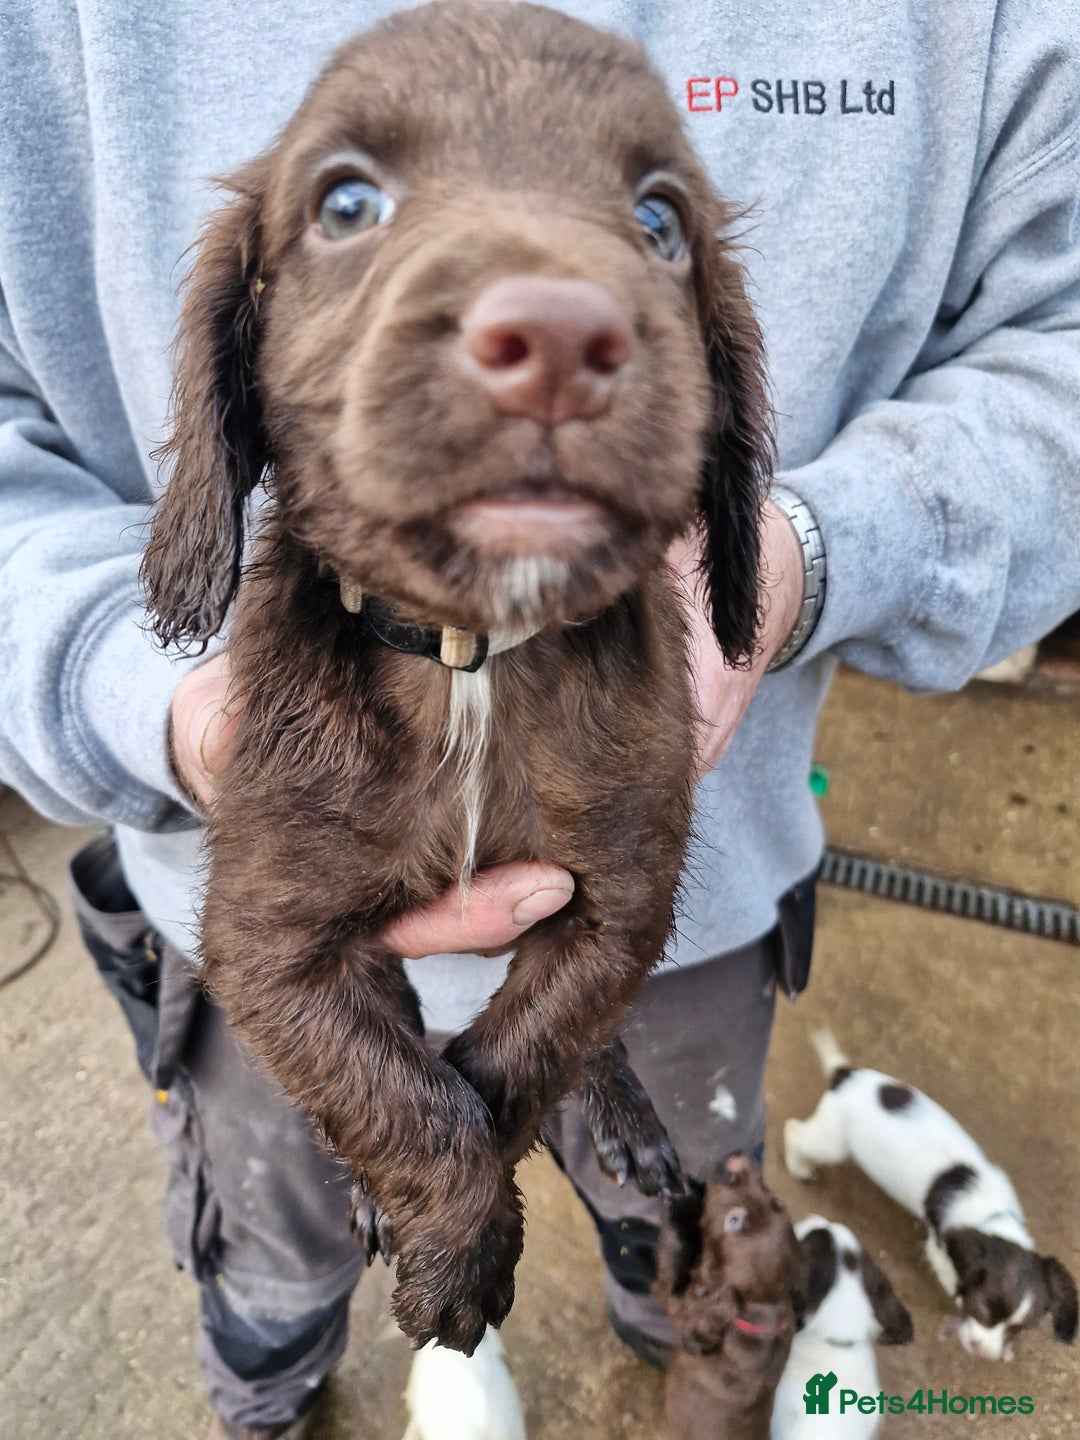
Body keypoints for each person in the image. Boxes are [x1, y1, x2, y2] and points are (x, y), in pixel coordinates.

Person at [2, 1, 1078, 1436]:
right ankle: (267, 1384)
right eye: (349, 202)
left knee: (688, 1241)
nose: (549, 319)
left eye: (654, 220)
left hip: (692, 953)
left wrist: (809, 550)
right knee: (270, 1260)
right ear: (238, 352)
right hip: (234, 913)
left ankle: (662, 1319)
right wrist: (125, 677)